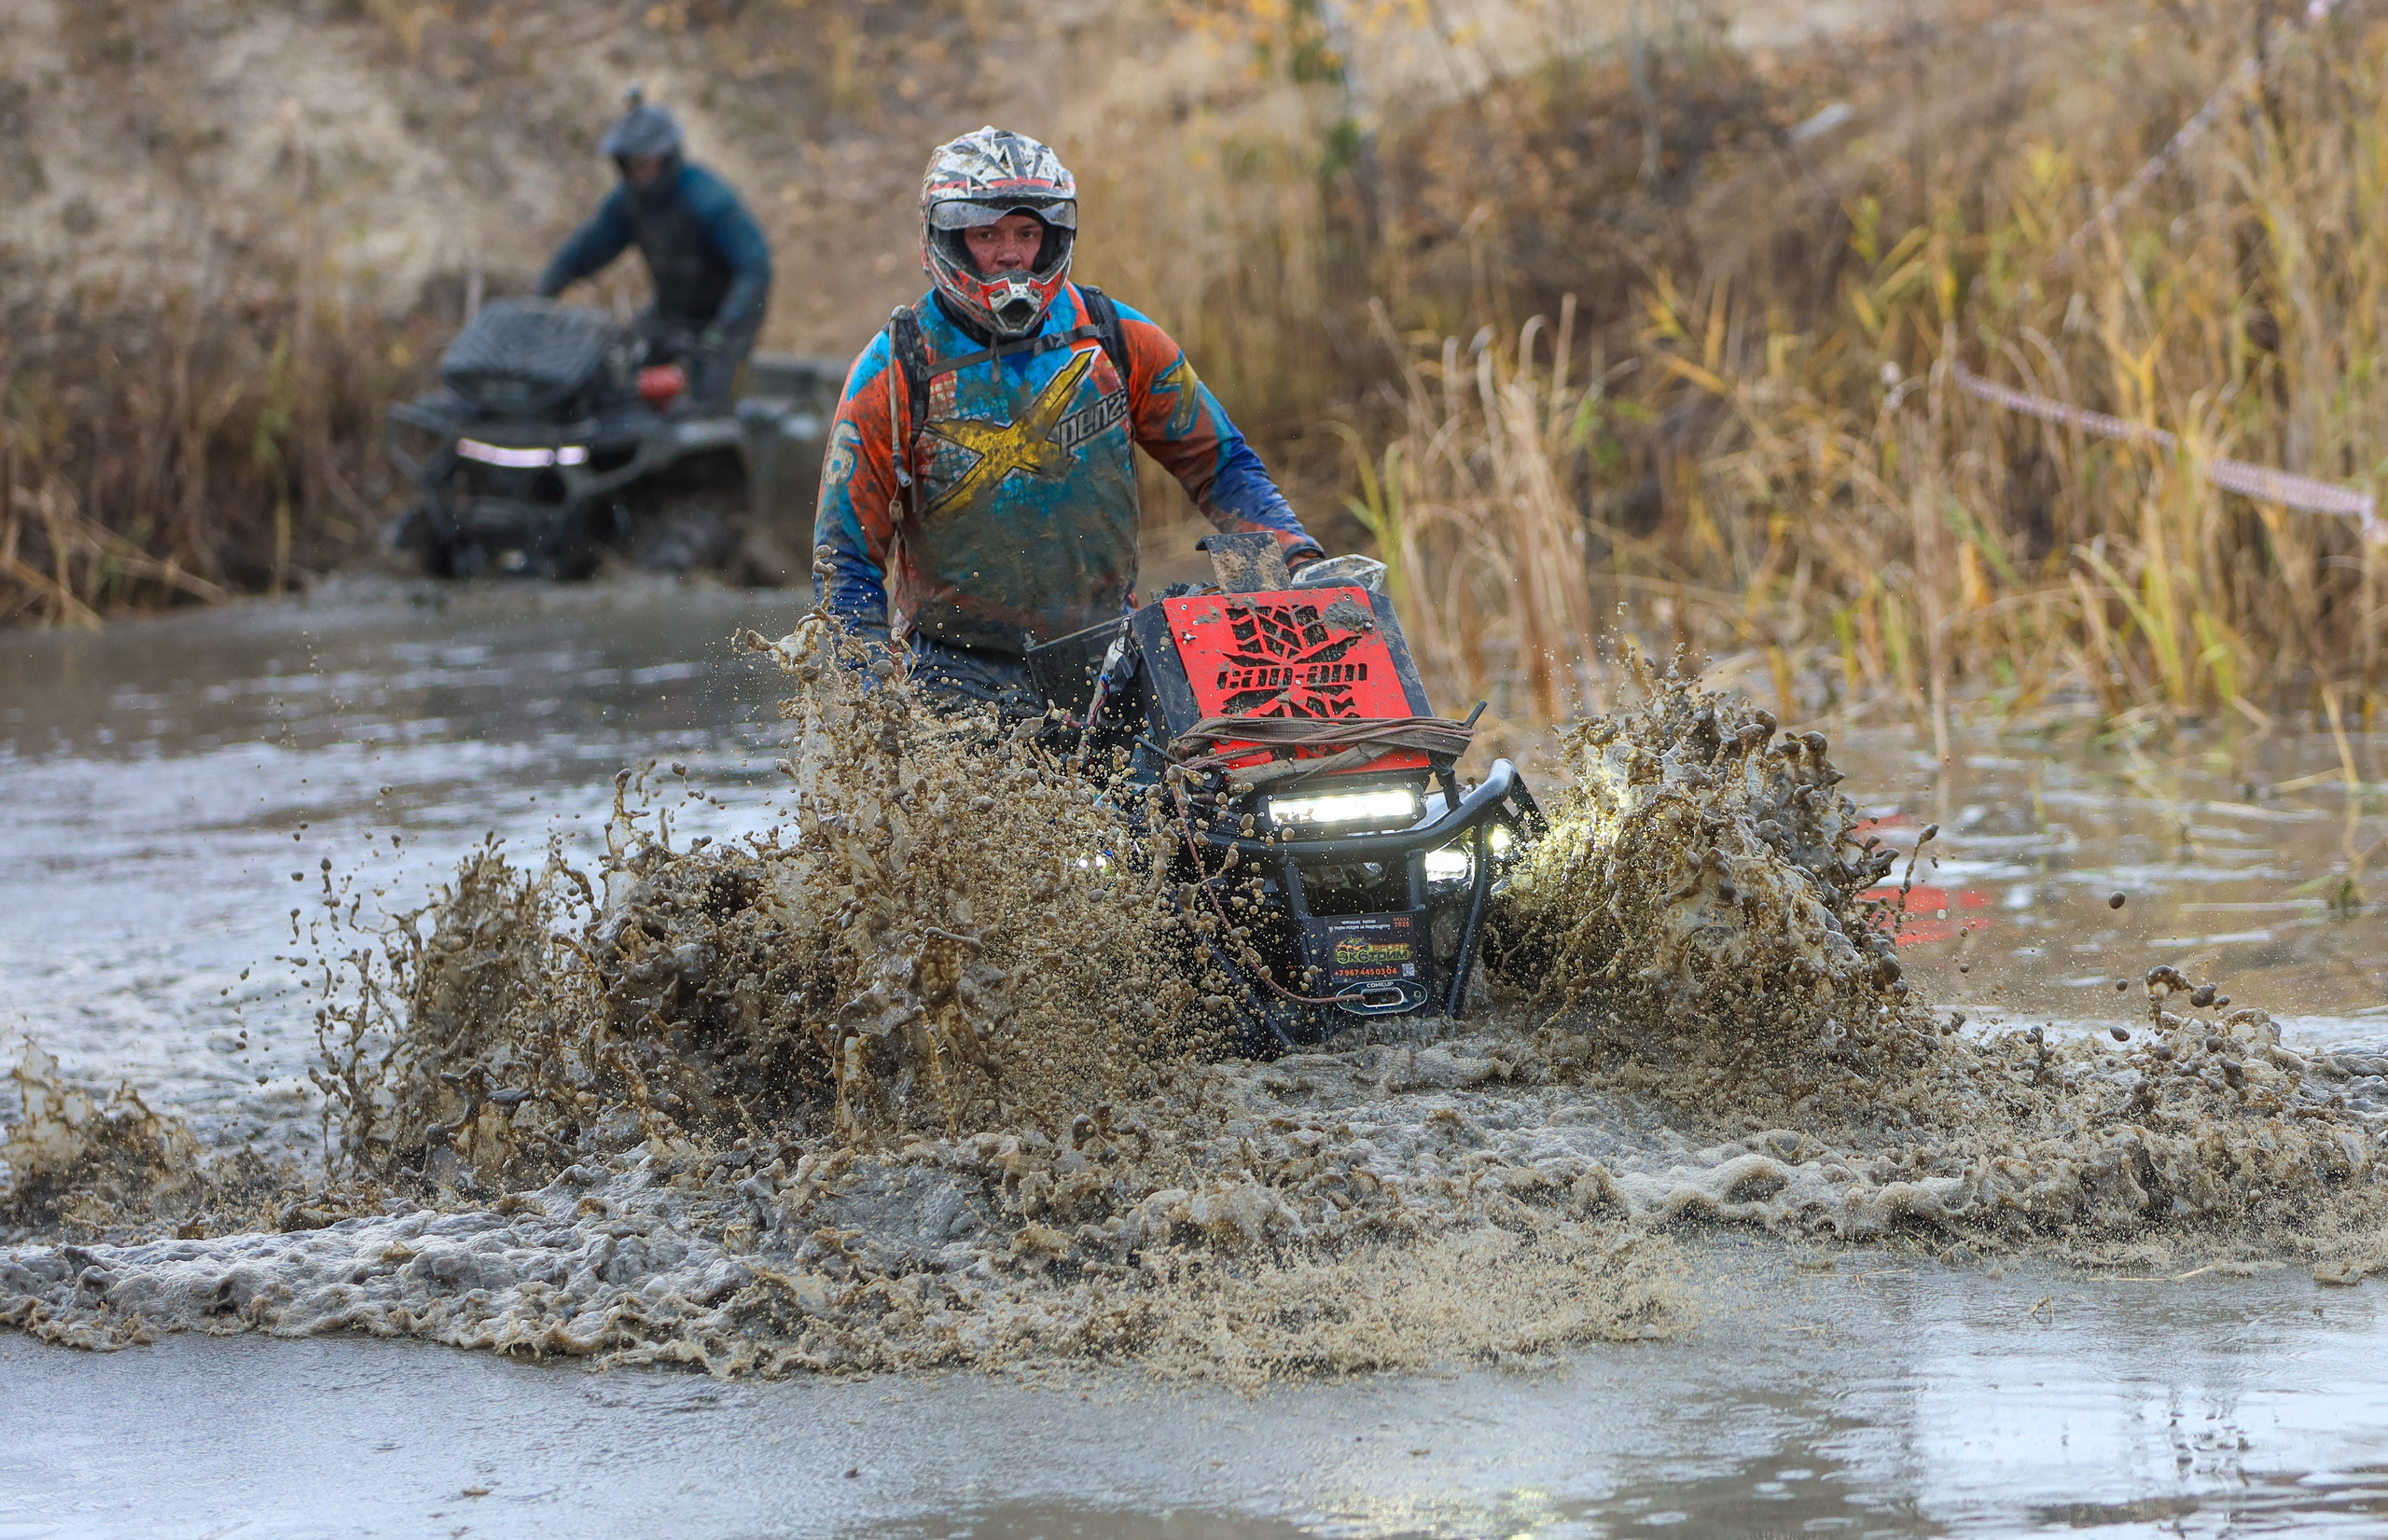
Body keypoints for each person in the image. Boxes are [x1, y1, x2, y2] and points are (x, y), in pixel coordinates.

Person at [812, 126, 1325, 714]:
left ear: (1052, 237)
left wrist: (1300, 562)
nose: (1010, 254)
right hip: (956, 669)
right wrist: (870, 689)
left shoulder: (1115, 335)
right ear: (947, 239)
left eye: (1027, 234)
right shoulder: (895, 371)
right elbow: (844, 559)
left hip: (1113, 652)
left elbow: (1223, 465)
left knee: (1201, 796)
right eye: (987, 234)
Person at [535, 87, 772, 413]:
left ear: (667, 158)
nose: (638, 174)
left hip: (722, 322)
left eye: (645, 164)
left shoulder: (708, 200)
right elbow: (585, 251)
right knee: (615, 376)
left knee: (706, 406)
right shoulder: (629, 204)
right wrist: (541, 295)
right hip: (669, 314)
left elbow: (755, 266)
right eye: (630, 166)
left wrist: (727, 326)